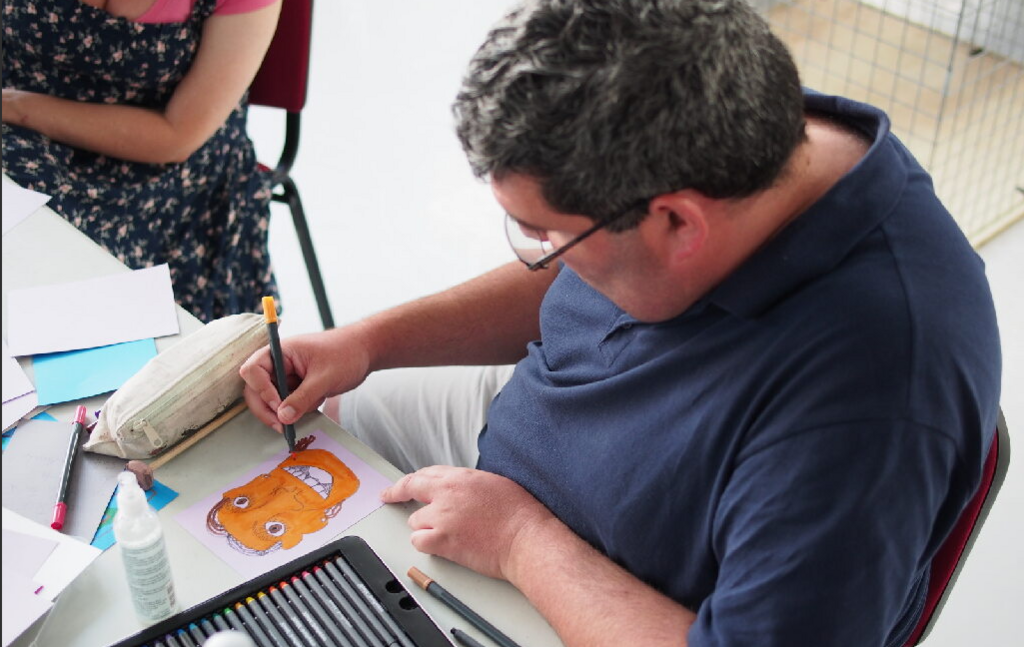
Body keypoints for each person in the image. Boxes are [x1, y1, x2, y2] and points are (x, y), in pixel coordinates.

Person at [239, 1, 1002, 645]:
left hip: (592, 590)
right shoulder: (740, 132)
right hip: (514, 447)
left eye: (545, 233)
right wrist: (368, 343)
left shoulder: (871, 403)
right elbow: (575, 276)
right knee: (278, 443)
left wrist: (519, 541)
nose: (543, 258)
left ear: (677, 223)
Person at [2, 0, 282, 322]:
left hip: (165, 164)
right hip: (27, 125)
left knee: (60, 256)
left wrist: (15, 106)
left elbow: (176, 135)